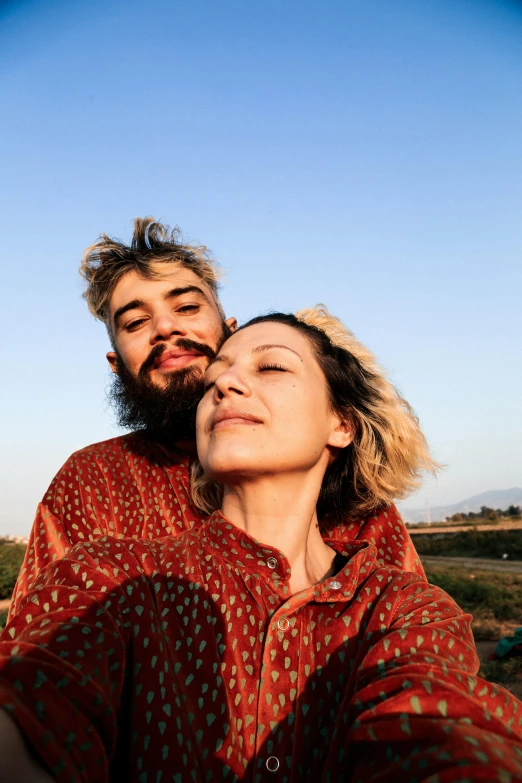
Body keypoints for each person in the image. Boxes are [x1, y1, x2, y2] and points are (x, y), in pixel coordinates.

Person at [1, 307, 521, 782]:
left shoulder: (407, 611)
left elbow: (441, 724)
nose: (224, 381)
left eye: (270, 367)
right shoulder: (112, 579)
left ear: (341, 424)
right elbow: (34, 695)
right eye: (212, 379)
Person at [9, 219, 424, 619]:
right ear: (117, 365)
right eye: (135, 322)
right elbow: (45, 646)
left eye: (187, 306)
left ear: (231, 332)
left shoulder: (333, 469)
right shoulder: (92, 480)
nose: (166, 327)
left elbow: (409, 622)